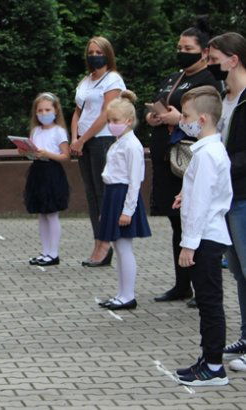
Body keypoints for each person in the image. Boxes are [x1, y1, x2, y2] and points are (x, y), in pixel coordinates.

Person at [148, 21, 221, 307]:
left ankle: (200, 282)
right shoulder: (173, 78)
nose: (182, 52)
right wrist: (154, 117)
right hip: (167, 159)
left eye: (188, 49)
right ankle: (182, 284)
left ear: (204, 52)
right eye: (179, 48)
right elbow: (160, 103)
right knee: (175, 221)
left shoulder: (208, 80)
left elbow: (205, 120)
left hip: (189, 161)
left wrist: (177, 119)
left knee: (193, 221)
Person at [172, 85, 231, 386]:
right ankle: (208, 359)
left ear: (204, 119)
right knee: (208, 302)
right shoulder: (206, 150)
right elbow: (199, 191)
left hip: (205, 236)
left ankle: (214, 367)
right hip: (205, 235)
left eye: (186, 116)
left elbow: (203, 203)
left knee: (209, 302)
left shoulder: (208, 154)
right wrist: (185, 192)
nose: (183, 120)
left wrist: (188, 244)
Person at [207, 33, 246, 371]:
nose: (212, 64)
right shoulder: (225, 97)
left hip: (243, 195)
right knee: (240, 273)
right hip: (229, 197)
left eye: (216, 58)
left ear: (233, 60)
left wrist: (221, 169)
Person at [71, 36, 127, 267]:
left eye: (98, 52)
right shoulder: (86, 80)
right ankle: (97, 242)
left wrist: (83, 139)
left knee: (103, 195)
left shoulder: (112, 79)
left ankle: (106, 245)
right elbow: (77, 111)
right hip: (83, 142)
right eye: (91, 52)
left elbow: (106, 113)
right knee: (92, 195)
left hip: (101, 141)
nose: (94, 55)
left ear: (108, 54)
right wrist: (74, 138)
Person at [95, 91, 151, 310]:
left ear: (128, 121)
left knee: (124, 247)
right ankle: (122, 293)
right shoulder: (118, 142)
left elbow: (135, 181)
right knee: (119, 248)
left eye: (115, 121)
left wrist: (128, 210)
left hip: (124, 196)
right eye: (109, 121)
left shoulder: (132, 145)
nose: (111, 125)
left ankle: (128, 295)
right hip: (113, 194)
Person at [20, 92, 70, 266]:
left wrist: (47, 153)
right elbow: (32, 153)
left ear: (56, 110)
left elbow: (65, 156)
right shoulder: (35, 130)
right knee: (41, 214)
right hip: (37, 172)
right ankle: (45, 251)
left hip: (52, 172)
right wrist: (26, 151)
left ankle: (54, 253)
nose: (43, 113)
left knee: (51, 213)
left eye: (47, 109)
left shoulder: (59, 131)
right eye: (40, 110)